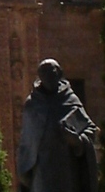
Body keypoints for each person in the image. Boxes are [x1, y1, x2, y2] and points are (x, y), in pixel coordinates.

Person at [17, 58, 97, 192]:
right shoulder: (33, 104)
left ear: (59, 73)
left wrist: (77, 141)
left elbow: (90, 129)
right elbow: (26, 142)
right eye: (44, 73)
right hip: (41, 171)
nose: (48, 76)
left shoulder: (70, 99)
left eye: (51, 72)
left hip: (67, 170)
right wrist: (25, 170)